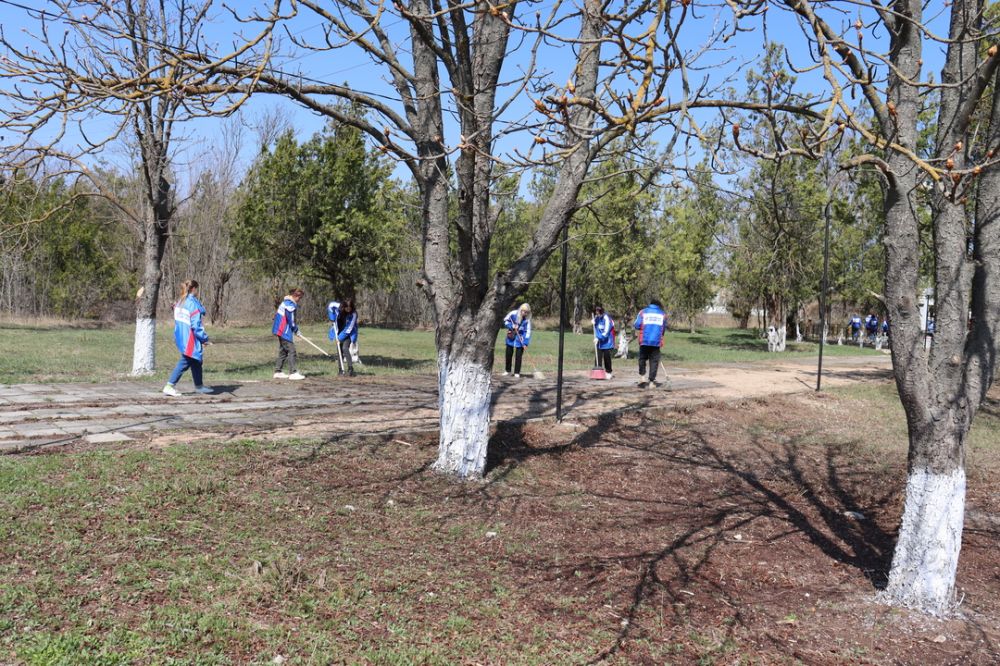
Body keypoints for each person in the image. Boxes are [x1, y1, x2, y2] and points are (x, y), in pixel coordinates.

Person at [163, 280, 212, 397]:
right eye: (197, 289)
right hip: (190, 339)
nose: (197, 291)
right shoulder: (192, 304)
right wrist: (204, 338)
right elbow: (196, 325)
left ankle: (199, 386)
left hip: (181, 336)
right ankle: (169, 386)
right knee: (186, 361)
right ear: (193, 288)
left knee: (196, 361)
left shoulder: (180, 301)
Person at [273, 288, 306, 380]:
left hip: (279, 330)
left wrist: (295, 330)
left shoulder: (286, 302)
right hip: (284, 330)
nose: (300, 300)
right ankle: (293, 373)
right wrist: (296, 329)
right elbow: (290, 320)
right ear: (296, 296)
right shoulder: (290, 304)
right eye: (300, 298)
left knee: (283, 350)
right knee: (292, 350)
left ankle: (278, 371)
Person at [633, 299, 667, 388]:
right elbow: (663, 328)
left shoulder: (643, 312)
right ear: (659, 305)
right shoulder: (662, 314)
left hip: (644, 340)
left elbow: (636, 324)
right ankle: (651, 381)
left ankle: (642, 376)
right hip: (656, 342)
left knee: (642, 359)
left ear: (650, 304)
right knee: (654, 362)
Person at [502, 303, 532, 378]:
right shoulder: (513, 313)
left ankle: (517, 372)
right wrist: (511, 326)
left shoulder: (527, 320)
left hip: (520, 339)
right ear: (521, 309)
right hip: (511, 337)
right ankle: (507, 370)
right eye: (523, 311)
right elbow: (505, 320)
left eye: (526, 312)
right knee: (508, 354)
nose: (524, 313)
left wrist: (525, 343)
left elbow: (527, 331)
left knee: (518, 356)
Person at [336, 298, 359, 377]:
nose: (348, 309)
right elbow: (335, 320)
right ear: (344, 307)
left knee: (345, 348)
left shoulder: (354, 314)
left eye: (350, 308)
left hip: (348, 334)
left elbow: (349, 328)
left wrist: (339, 338)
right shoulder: (340, 312)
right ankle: (340, 370)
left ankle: (350, 369)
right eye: (346, 307)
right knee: (339, 352)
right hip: (339, 333)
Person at [592, 305, 615, 378]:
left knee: (606, 356)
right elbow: (597, 329)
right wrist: (594, 323)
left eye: (598, 312)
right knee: (597, 356)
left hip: (607, 341)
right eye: (596, 312)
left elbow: (606, 332)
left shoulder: (607, 318)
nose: (597, 313)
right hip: (599, 341)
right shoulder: (596, 318)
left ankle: (608, 372)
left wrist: (598, 338)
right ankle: (598, 372)